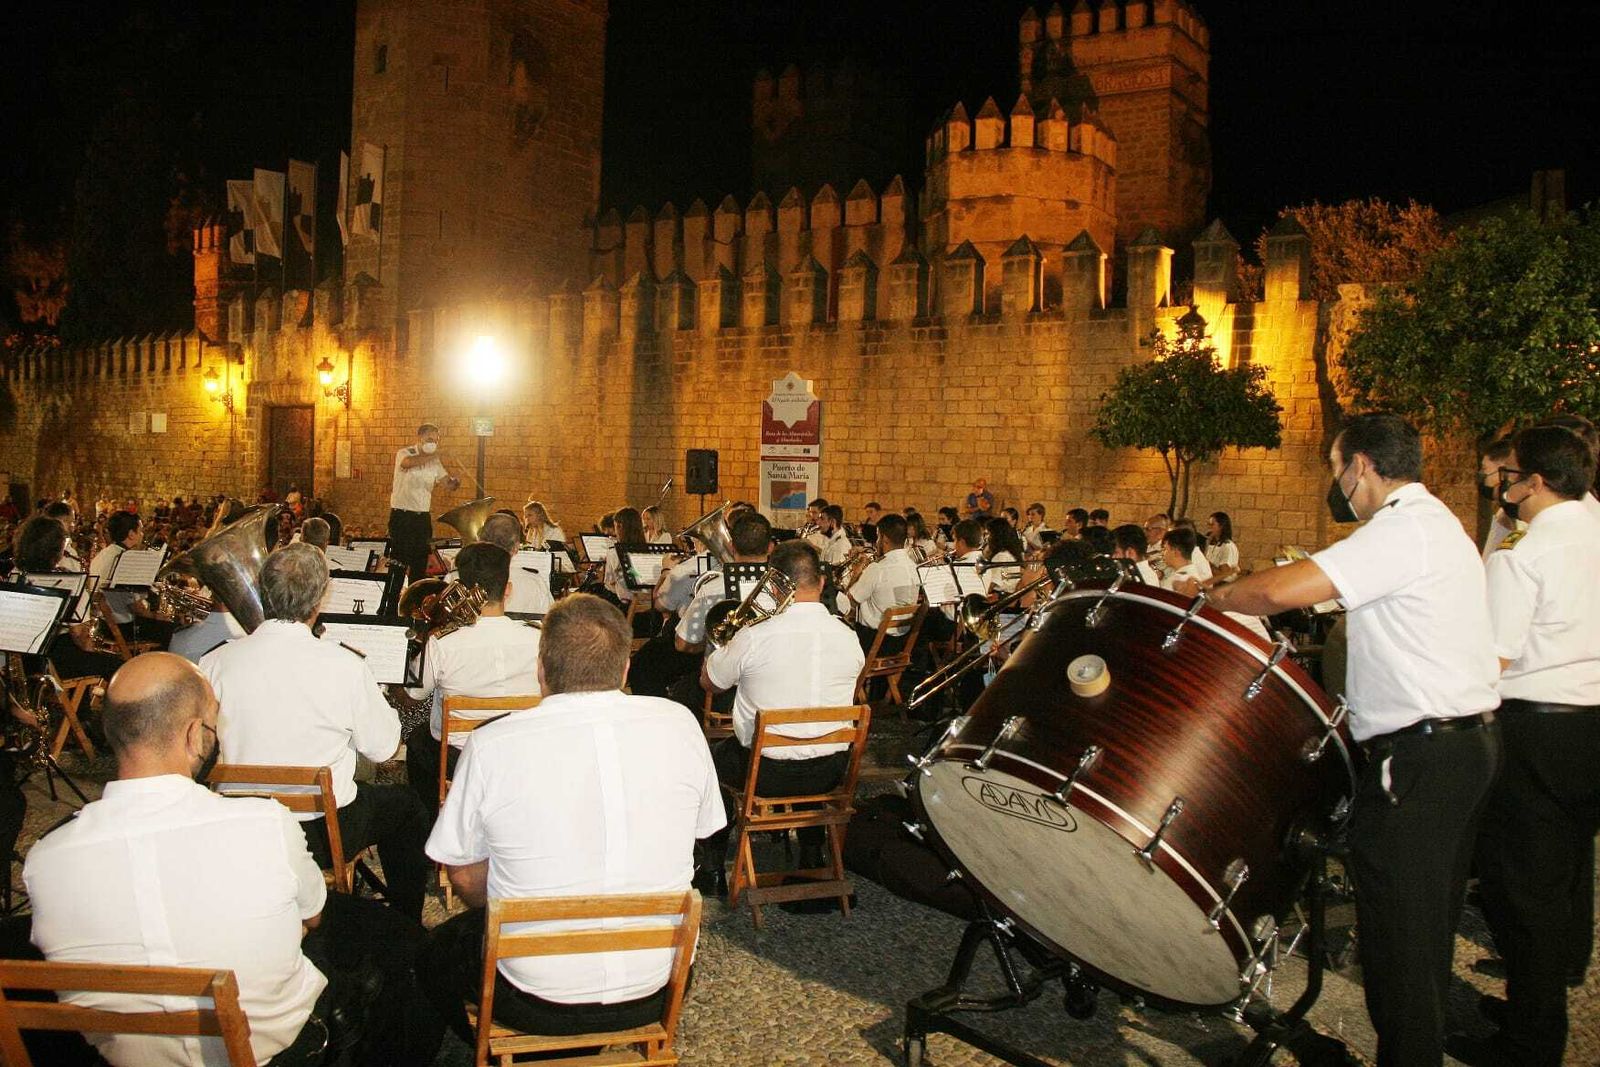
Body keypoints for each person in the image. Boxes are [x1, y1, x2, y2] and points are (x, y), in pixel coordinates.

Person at [1208, 412, 1501, 1067]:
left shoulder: (1401, 529)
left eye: (1336, 467)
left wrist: (1217, 596)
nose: (1336, 481)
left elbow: (1278, 590)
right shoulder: (1434, 523)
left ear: (1360, 466)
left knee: (1399, 942)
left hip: (1422, 756)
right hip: (1458, 748)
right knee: (1422, 930)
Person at [418, 594, 723, 1043]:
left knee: (431, 956)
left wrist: (513, 904)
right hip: (658, 988)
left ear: (541, 669)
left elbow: (461, 872)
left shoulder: (491, 744)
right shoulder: (680, 724)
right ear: (624, 669)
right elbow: (704, 829)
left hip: (535, 1000)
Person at [24, 653, 332, 1066]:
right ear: (192, 735)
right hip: (273, 1054)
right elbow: (313, 917)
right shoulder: (266, 822)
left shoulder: (45, 858)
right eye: (212, 725)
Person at [1454, 426, 1600, 1067]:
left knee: (1522, 895)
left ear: (1534, 482)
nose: (1501, 486)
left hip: (1534, 730)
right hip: (1589, 724)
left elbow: (1492, 658)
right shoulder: (1594, 531)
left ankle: (1531, 1043)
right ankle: (1531, 1009)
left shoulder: (1526, 552)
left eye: (1507, 475)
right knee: (1561, 880)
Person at [199, 544, 431, 921]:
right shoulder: (346, 665)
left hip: (241, 824)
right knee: (407, 808)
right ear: (322, 598)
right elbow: (384, 747)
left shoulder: (214, 662)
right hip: (322, 832)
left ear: (261, 592)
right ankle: (404, 924)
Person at [699, 541, 865, 896]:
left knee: (711, 761)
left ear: (773, 584)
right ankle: (811, 853)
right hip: (831, 772)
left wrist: (723, 646)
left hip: (766, 775)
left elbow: (709, 683)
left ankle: (711, 868)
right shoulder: (849, 637)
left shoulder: (754, 636)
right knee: (811, 742)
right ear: (822, 583)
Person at [404, 542, 541, 815]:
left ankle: (437, 822)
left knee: (418, 741)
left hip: (461, 760)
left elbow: (411, 697)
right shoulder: (538, 638)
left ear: (462, 590)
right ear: (508, 590)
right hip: (523, 752)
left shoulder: (443, 643)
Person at [13, 516, 123, 681]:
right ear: (57, 549)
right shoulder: (67, 581)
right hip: (57, 659)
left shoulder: (14, 575)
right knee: (119, 667)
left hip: (22, 661)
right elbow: (81, 638)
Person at [389, 423, 461, 583]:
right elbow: (407, 463)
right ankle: (394, 594)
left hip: (421, 518)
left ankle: (414, 593)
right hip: (402, 516)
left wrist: (455, 482)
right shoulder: (405, 453)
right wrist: (437, 454)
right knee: (399, 561)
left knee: (420, 562)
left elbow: (447, 483)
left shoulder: (434, 462)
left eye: (435, 440)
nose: (433, 443)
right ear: (420, 438)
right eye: (429, 439)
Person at [88, 510, 172, 646]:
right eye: (140, 531)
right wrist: (157, 616)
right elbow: (136, 607)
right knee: (174, 631)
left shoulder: (102, 554)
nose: (142, 534)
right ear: (131, 534)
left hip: (103, 625)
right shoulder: (127, 559)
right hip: (124, 628)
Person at [844, 513, 919, 650]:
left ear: (884, 538)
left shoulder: (878, 568)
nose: (876, 541)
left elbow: (849, 601)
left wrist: (856, 574)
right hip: (901, 641)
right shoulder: (913, 566)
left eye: (878, 536)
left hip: (874, 642)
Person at [1478, 437, 1520, 560]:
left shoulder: (1519, 518)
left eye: (1485, 468)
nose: (1482, 474)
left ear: (1504, 471)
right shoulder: (1503, 513)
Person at [980, 516, 1023, 596]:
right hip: (1008, 595)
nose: (985, 538)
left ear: (996, 535)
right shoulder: (1008, 553)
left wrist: (978, 593)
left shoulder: (1001, 556)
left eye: (988, 534)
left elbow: (992, 583)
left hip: (1001, 596)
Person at [1204, 511, 1240, 581]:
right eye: (1208, 524)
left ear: (1221, 526)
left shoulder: (1227, 546)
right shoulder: (1210, 544)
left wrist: (1206, 563)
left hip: (1223, 584)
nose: (1209, 527)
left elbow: (1224, 575)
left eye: (1212, 525)